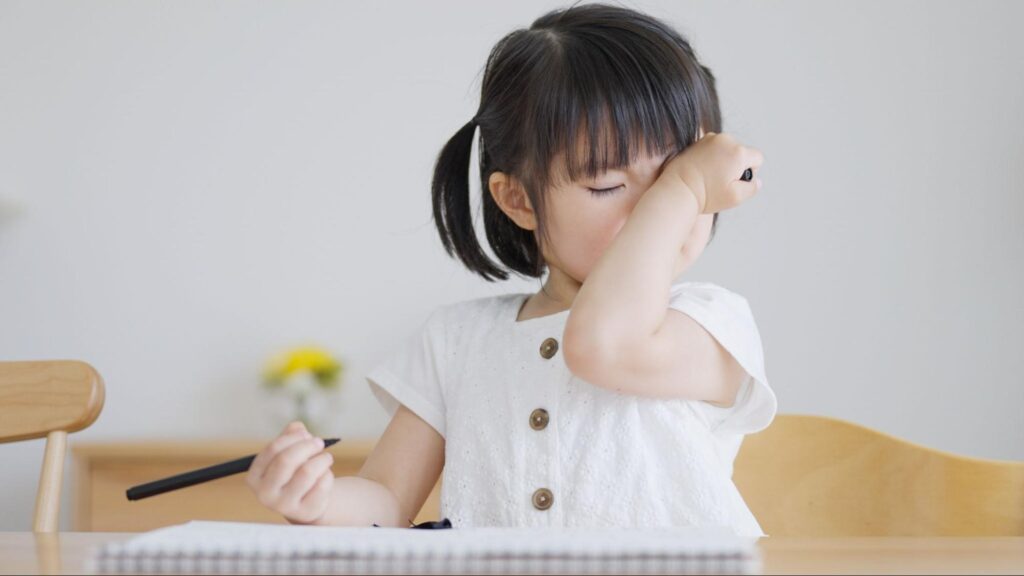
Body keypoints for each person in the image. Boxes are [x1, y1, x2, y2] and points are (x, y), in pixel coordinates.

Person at [246, 2, 776, 537]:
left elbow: (606, 346)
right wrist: (318, 499)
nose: (653, 209)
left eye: (675, 178)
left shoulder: (712, 324)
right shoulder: (456, 341)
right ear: (519, 199)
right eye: (607, 186)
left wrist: (684, 192)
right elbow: (386, 499)